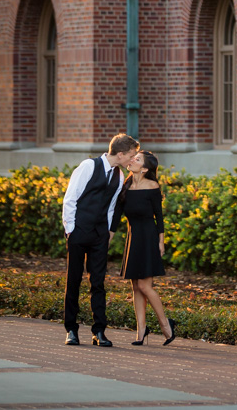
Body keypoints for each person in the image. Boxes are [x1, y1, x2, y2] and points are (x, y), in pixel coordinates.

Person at [61, 133, 139, 347]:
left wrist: (108, 233)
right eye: (131, 155)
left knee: (98, 283)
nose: (133, 159)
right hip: (78, 232)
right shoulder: (88, 166)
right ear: (120, 153)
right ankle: (71, 330)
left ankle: (99, 332)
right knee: (73, 281)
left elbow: (112, 206)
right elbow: (71, 198)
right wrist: (71, 230)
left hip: (99, 235)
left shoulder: (119, 175)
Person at [110, 150, 176, 346]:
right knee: (135, 287)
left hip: (148, 237)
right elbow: (116, 215)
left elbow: (159, 216)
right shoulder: (126, 185)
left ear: (145, 168)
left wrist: (160, 241)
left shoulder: (152, 186)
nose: (132, 160)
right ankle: (141, 331)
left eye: (137, 159)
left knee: (145, 286)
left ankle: (166, 325)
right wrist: (109, 237)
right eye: (133, 157)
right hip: (133, 238)